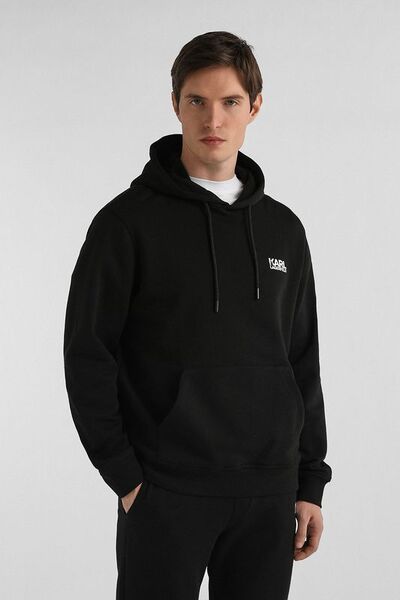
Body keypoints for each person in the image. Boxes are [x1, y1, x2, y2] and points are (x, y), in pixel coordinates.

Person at [63, 30, 332, 600]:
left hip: (269, 492)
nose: (214, 118)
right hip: (166, 490)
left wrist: (310, 481)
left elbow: (301, 359)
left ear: (254, 107)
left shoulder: (284, 229)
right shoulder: (125, 224)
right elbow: (88, 354)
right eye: (197, 101)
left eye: (230, 101)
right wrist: (125, 476)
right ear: (176, 105)